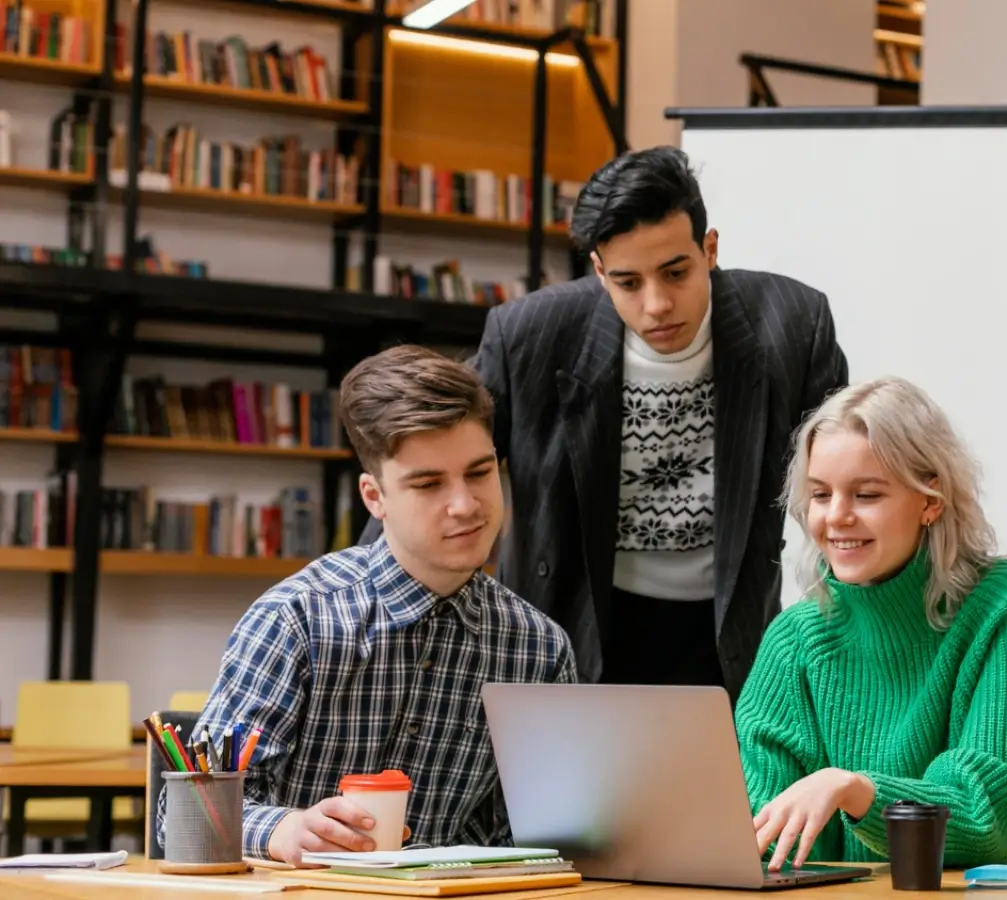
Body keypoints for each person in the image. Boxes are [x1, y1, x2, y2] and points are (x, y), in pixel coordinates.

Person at [359, 146, 849, 702]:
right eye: (628, 282)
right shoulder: (531, 335)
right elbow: (427, 454)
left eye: (676, 272)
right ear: (598, 271)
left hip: (728, 630)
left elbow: (844, 477)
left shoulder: (791, 324)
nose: (657, 304)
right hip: (571, 621)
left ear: (710, 249)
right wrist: (358, 603)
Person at [168, 345, 577, 867]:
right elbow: (183, 814)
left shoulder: (540, 649)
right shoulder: (296, 620)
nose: (465, 505)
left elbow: (537, 835)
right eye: (428, 483)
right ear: (374, 496)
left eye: (479, 473)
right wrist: (284, 830)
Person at [734, 376, 1007, 872]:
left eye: (866, 495)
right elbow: (766, 835)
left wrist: (855, 791)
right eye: (820, 494)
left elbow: (986, 817)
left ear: (931, 500)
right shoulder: (793, 640)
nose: (836, 516)